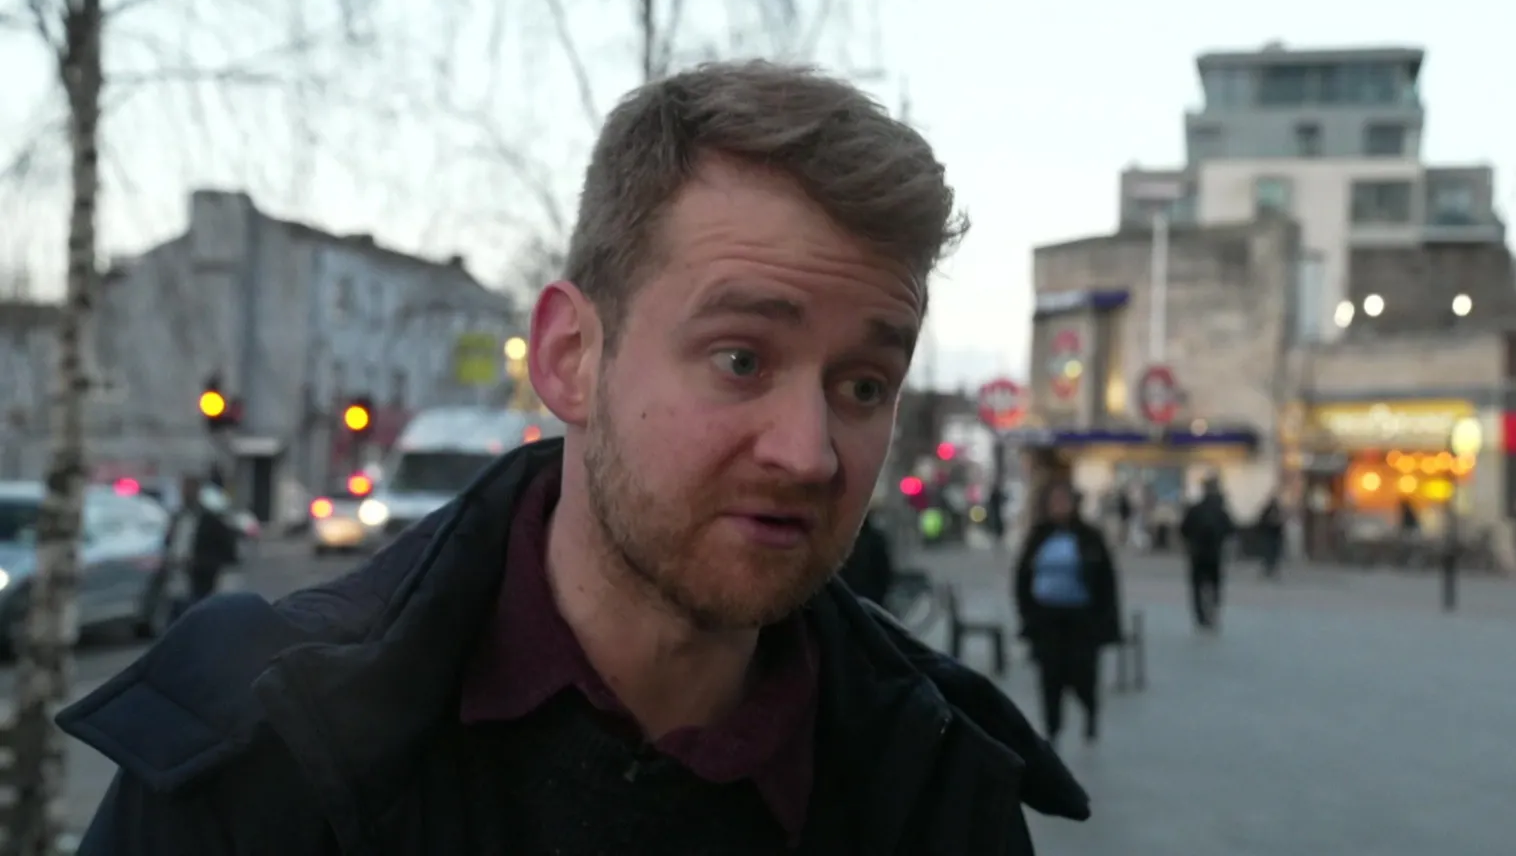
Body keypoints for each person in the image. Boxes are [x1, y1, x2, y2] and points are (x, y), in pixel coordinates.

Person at [62, 62, 1089, 854]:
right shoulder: (265, 755)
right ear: (570, 359)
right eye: (741, 358)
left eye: (864, 385)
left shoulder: (936, 780)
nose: (810, 451)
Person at [1013, 483, 1123, 746]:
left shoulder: (1089, 537)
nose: (1059, 507)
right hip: (1046, 619)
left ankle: (1090, 711)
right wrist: (1027, 613)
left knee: (1082, 675)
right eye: (1054, 501)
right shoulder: (1038, 536)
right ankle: (1052, 729)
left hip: (1081, 620)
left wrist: (1106, 622)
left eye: (1064, 501)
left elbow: (1106, 581)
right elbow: (1022, 576)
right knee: (1050, 677)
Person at [163, 474, 238, 606]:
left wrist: (202, 564)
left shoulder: (209, 520)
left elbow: (227, 550)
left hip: (200, 580)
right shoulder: (178, 517)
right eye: (184, 490)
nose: (186, 494)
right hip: (176, 580)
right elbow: (170, 543)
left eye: (190, 490)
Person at [1180, 475, 1235, 630]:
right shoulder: (1220, 510)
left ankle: (1200, 617)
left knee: (1197, 586)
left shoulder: (1195, 509)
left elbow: (1184, 530)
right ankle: (1213, 613)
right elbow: (1230, 530)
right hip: (1215, 555)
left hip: (1196, 554)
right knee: (1215, 585)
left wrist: (1190, 543)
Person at [840, 514, 896, 610]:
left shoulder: (843, 543)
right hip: (872, 603)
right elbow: (884, 575)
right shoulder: (876, 539)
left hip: (847, 602)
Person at [1256, 493, 1284, 579]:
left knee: (1272, 555)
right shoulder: (1268, 511)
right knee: (1269, 555)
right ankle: (1268, 569)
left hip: (1272, 537)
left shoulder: (1274, 511)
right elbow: (1262, 522)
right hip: (1269, 537)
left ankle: (1270, 569)